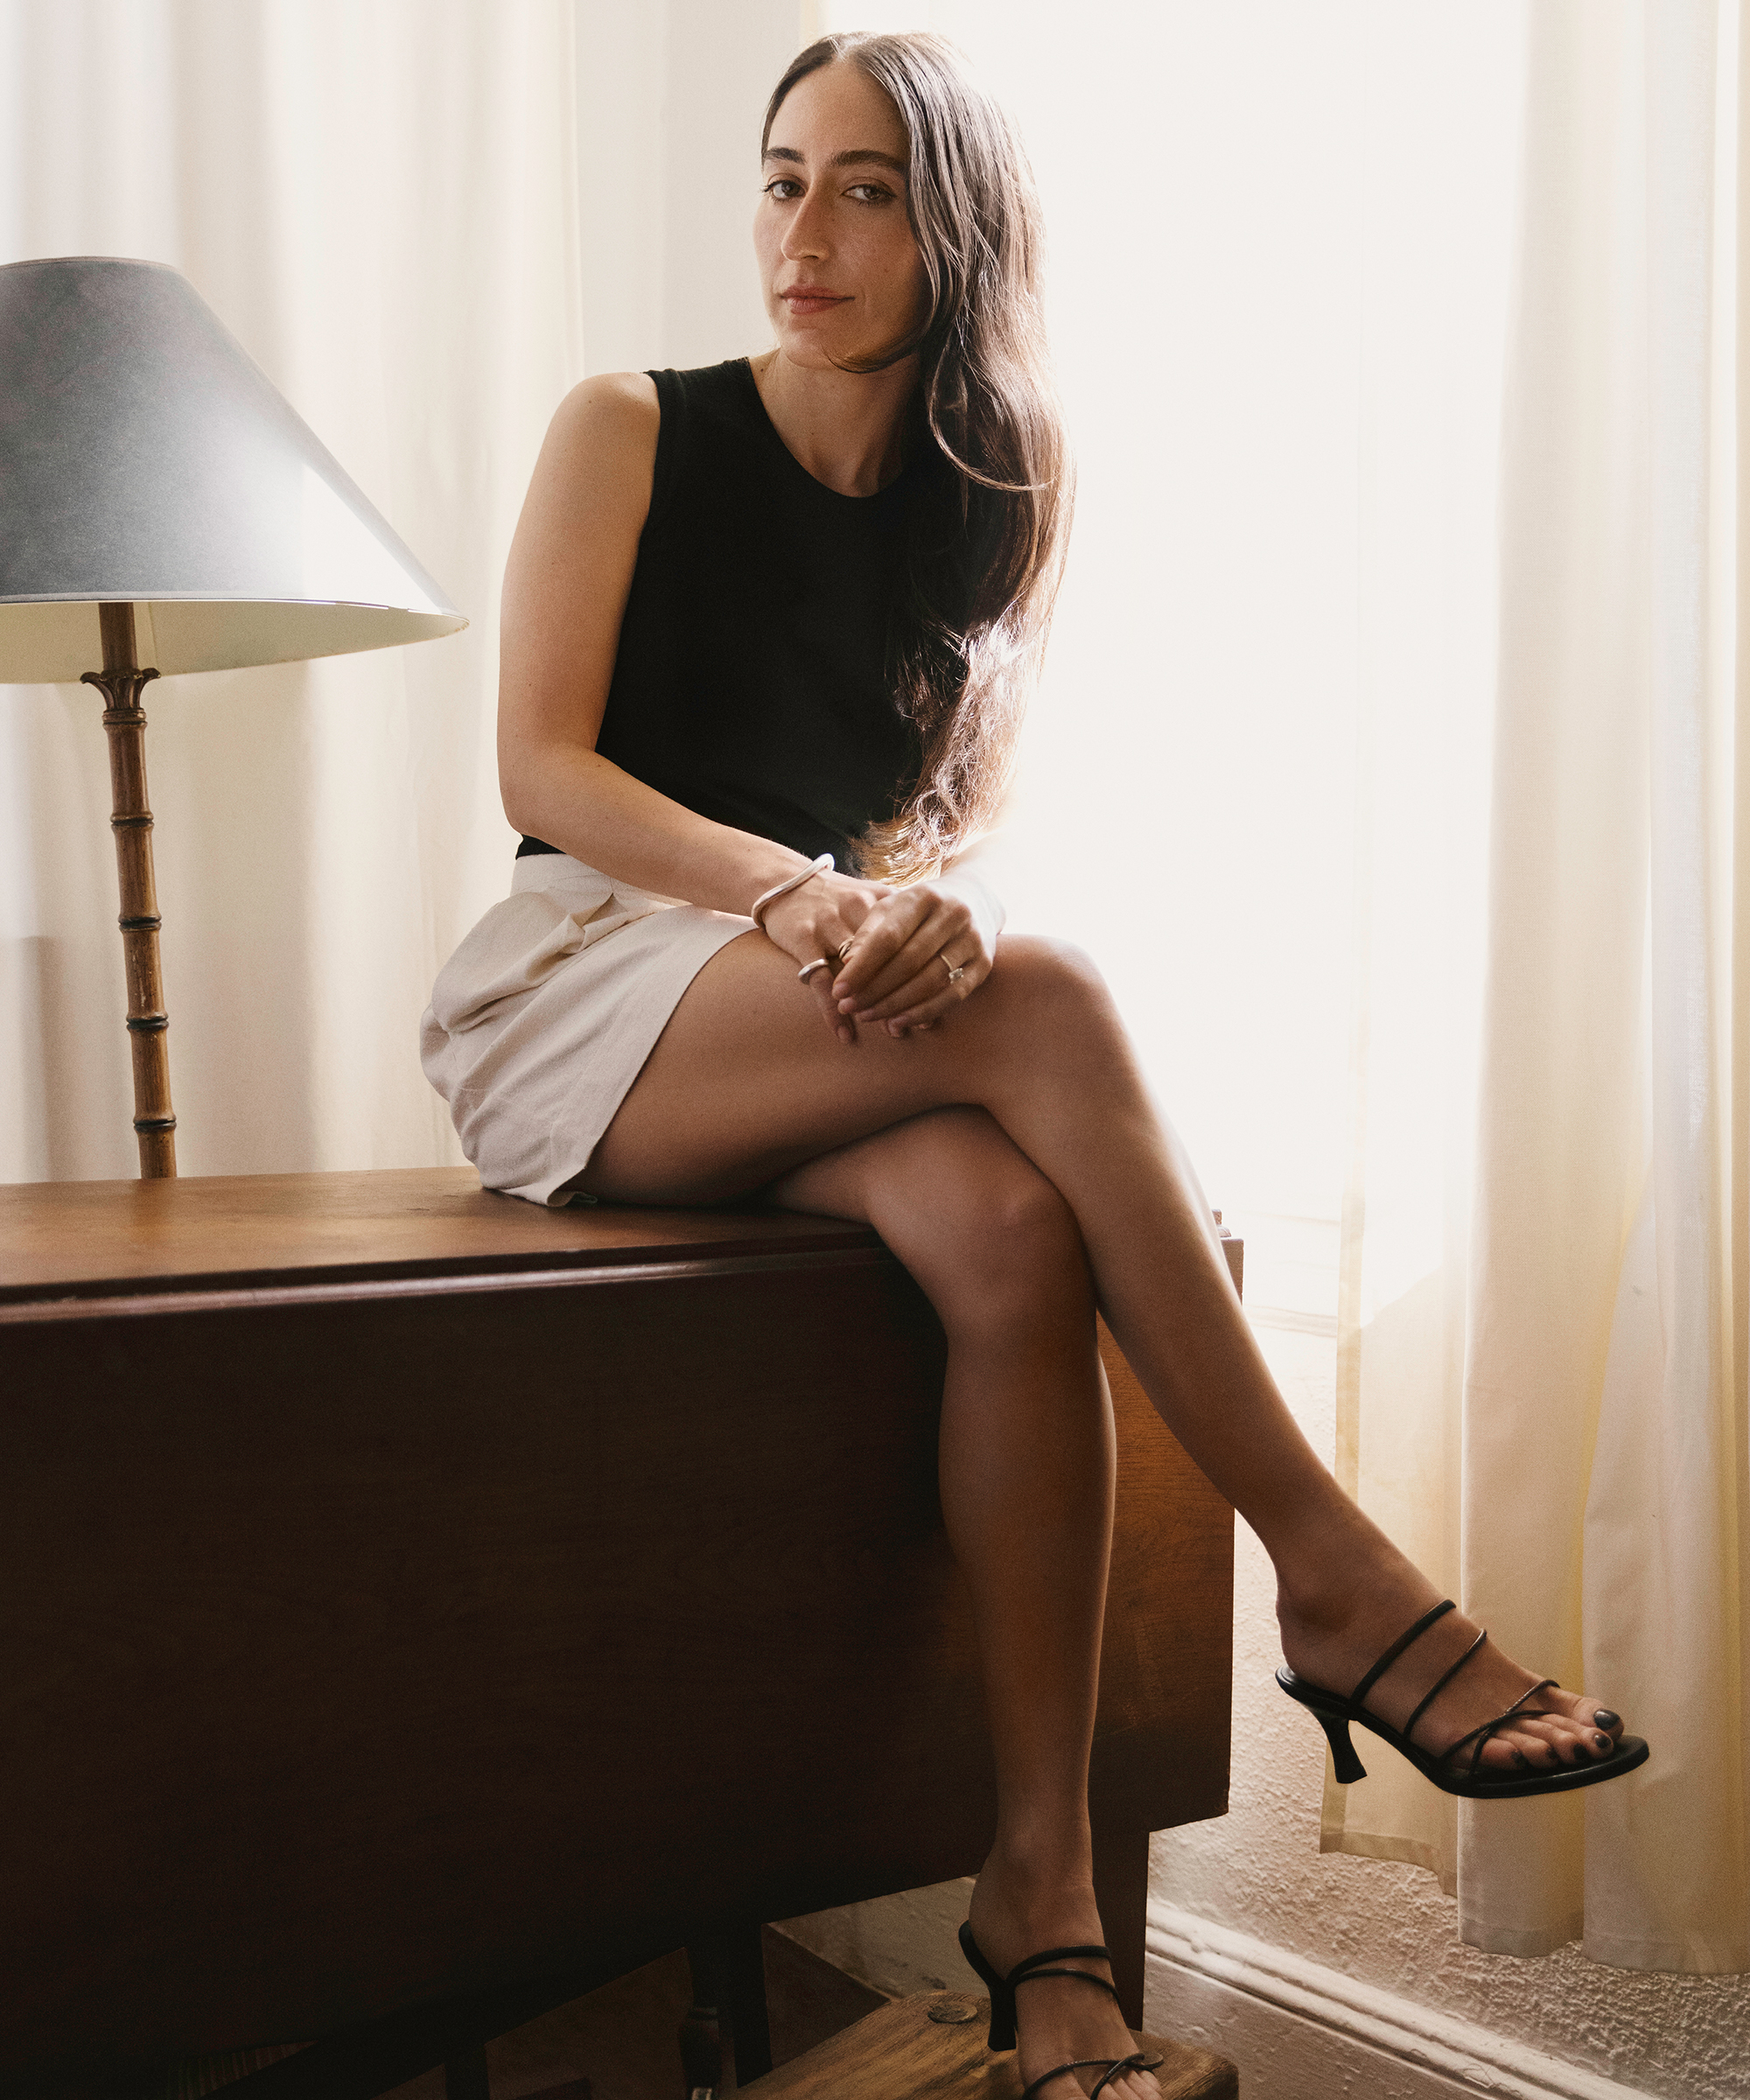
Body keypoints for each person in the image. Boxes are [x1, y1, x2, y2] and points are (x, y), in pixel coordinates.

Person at [423, 32, 1647, 2100]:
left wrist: (919, 911)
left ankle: (1039, 1904)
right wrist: (811, 909)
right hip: (581, 994)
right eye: (780, 177)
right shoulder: (629, 423)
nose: (800, 234)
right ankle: (1336, 1575)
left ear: (955, 227)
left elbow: (937, 816)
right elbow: (544, 766)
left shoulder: (1008, 478)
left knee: (1007, 1239)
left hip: (799, 1011)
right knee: (1059, 997)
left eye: (865, 190)